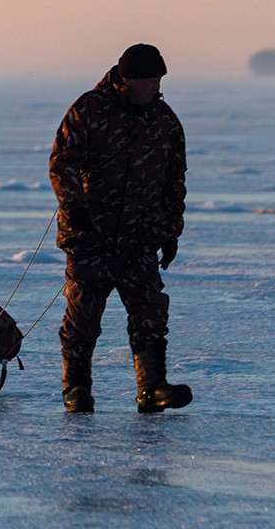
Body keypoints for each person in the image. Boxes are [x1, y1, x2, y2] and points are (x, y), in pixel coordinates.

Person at [49, 44, 192, 413]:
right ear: (126, 81)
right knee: (83, 319)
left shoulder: (165, 122)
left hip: (139, 238)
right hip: (90, 237)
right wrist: (74, 207)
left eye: (159, 79)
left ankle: (152, 388)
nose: (155, 87)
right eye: (148, 80)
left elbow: (174, 182)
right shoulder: (89, 111)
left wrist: (170, 232)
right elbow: (62, 161)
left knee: (150, 311)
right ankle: (77, 390)